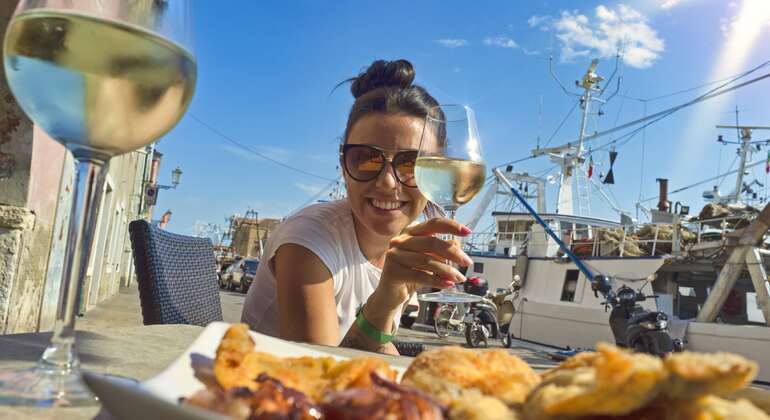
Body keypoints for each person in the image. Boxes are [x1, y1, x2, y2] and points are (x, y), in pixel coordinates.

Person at [241, 59, 474, 355]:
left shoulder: (403, 250)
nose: (388, 182)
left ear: (436, 172)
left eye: (411, 164)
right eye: (366, 159)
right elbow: (321, 377)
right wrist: (383, 303)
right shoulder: (309, 241)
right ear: (342, 163)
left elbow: (377, 348)